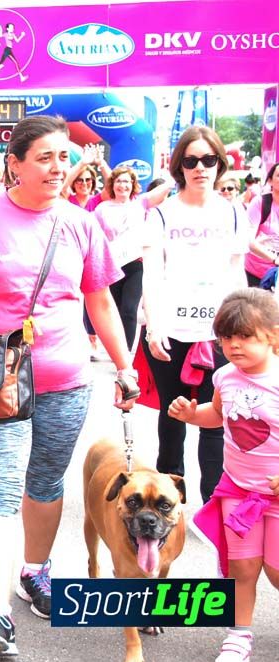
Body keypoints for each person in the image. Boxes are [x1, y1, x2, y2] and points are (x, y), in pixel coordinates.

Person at [0, 115, 139, 658]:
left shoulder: (81, 224)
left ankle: (34, 571)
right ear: (15, 165)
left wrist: (124, 366)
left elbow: (100, 300)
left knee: (45, 483)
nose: (57, 168)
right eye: (44, 158)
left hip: (65, 380)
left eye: (64, 157)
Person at [168, 288, 279, 662]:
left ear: (273, 336)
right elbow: (218, 415)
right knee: (240, 567)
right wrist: (191, 414)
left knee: (278, 572)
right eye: (226, 337)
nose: (234, 345)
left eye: (245, 336)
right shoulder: (224, 377)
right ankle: (237, 636)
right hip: (237, 487)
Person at [142, 124, 249, 504]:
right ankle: (165, 502)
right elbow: (152, 273)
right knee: (173, 418)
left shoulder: (235, 213)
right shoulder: (162, 215)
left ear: (219, 163)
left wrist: (243, 330)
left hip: (219, 334)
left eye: (208, 159)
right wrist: (154, 328)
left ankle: (213, 505)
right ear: (179, 166)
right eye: (191, 160)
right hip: (171, 330)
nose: (200, 167)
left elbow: (238, 276)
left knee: (214, 419)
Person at [93, 167, 172, 350]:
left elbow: (164, 189)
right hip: (112, 267)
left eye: (127, 181)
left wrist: (174, 174)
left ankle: (126, 355)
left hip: (136, 263)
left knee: (129, 310)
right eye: (119, 181)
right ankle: (117, 350)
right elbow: (95, 239)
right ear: (113, 184)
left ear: (133, 185)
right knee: (116, 312)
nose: (123, 185)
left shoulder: (141, 204)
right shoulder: (102, 209)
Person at [244, 163, 279, 288]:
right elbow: (248, 240)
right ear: (270, 181)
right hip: (257, 274)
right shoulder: (260, 202)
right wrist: (275, 259)